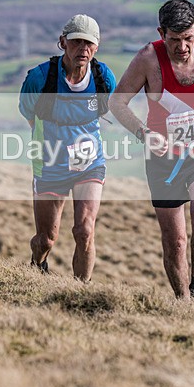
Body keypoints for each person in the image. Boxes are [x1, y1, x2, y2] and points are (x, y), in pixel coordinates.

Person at [109, 0, 194, 299]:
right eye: (174, 40)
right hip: (162, 158)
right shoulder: (148, 59)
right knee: (176, 241)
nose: (182, 47)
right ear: (162, 33)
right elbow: (116, 102)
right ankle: (183, 303)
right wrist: (143, 133)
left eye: (188, 38)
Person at [19, 14, 116, 281]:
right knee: (46, 239)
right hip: (50, 164)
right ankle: (37, 266)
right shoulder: (41, 77)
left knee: (84, 231)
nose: (83, 49)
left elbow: (108, 106)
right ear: (63, 42)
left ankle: (80, 290)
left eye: (89, 43)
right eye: (76, 42)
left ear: (97, 46)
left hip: (89, 163)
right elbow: (27, 111)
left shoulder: (103, 77)